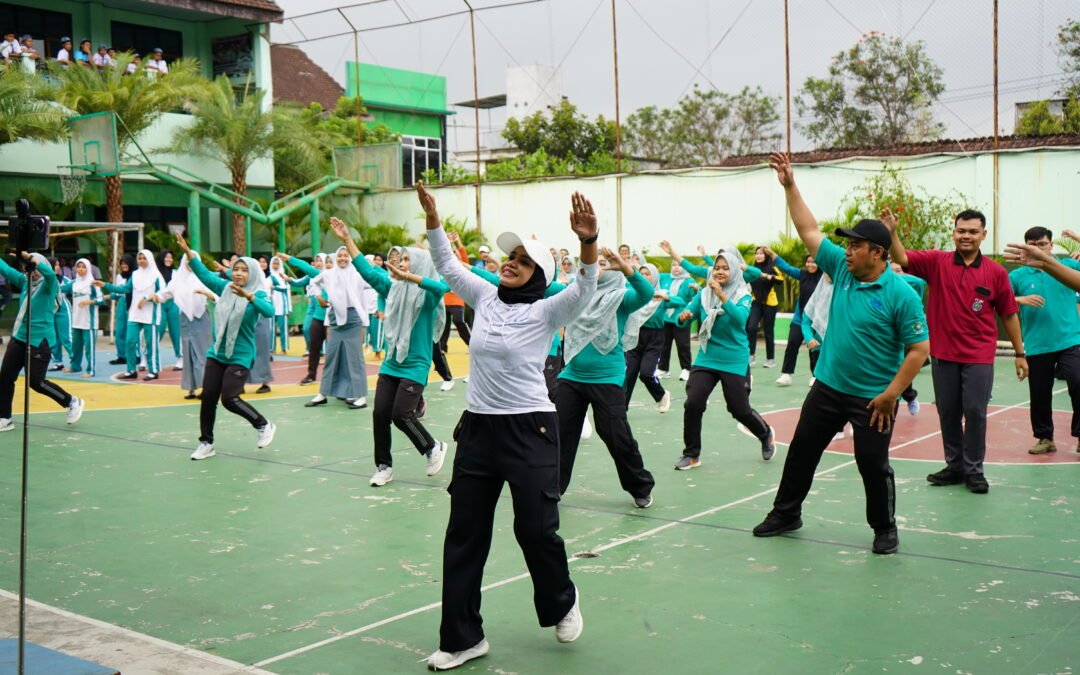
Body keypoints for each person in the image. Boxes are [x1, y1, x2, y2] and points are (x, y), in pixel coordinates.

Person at [423, 183, 598, 670]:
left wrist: (588, 242)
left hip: (531, 431)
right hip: (478, 430)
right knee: (465, 534)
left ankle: (562, 600)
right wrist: (435, 221)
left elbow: (585, 287)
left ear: (539, 273)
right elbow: (448, 266)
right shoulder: (485, 296)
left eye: (522, 259)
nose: (510, 261)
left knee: (536, 530)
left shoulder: (548, 308)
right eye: (509, 255)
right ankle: (462, 638)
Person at [752, 154, 929, 555]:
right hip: (828, 387)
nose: (846, 251)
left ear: (879, 253)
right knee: (801, 451)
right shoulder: (844, 270)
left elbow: (919, 350)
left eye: (856, 245)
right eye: (847, 244)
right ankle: (786, 512)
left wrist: (891, 395)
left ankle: (884, 527)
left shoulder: (901, 295)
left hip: (874, 399)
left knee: (872, 464)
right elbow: (808, 228)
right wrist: (789, 185)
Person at [888, 207, 1026, 495]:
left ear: (983, 235)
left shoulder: (996, 272)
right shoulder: (936, 263)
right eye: (961, 230)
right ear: (954, 232)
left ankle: (974, 470)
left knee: (975, 411)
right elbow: (901, 258)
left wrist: (1019, 353)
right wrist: (892, 232)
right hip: (943, 354)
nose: (966, 236)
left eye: (973, 232)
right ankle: (955, 467)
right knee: (948, 412)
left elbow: (1009, 313)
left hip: (978, 356)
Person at [325, 217, 449, 487]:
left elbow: (440, 287)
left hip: (415, 363)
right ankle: (384, 466)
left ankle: (432, 447)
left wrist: (411, 277)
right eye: (400, 259)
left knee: (401, 414)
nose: (400, 263)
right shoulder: (393, 289)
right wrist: (347, 239)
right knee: (380, 413)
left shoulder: (427, 295)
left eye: (406, 259)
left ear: (418, 265)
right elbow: (367, 272)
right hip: (393, 363)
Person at [556, 247, 656, 507]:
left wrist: (624, 266)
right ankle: (553, 487)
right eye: (592, 262)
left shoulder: (620, 298)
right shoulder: (573, 295)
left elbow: (646, 293)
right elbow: (540, 289)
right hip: (572, 376)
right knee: (560, 433)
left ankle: (640, 485)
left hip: (606, 378)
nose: (597, 267)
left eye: (603, 263)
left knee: (615, 434)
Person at [174, 233, 276, 459]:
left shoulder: (258, 293)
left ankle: (263, 424)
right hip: (217, 352)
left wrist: (249, 297)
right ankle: (206, 443)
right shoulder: (226, 287)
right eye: (236, 269)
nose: (239, 273)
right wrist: (188, 253)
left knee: (229, 399)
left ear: (252, 273)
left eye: (244, 270)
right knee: (208, 396)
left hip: (240, 355)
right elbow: (203, 274)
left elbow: (269, 312)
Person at [675, 246, 776, 470]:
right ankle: (692, 454)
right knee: (693, 402)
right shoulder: (704, 294)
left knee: (739, 409)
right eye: (716, 268)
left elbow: (741, 320)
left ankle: (765, 433)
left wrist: (721, 295)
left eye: (725, 268)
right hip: (707, 356)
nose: (720, 272)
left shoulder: (743, 294)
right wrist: (684, 317)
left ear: (733, 271)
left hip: (733, 358)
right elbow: (686, 316)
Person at [1008, 227, 1080, 454]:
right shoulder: (1017, 276)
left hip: (1071, 339)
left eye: (1042, 244)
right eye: (1033, 244)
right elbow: (999, 299)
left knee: (1078, 382)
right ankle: (1045, 437)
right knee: (1039, 393)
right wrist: (1021, 299)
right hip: (1037, 343)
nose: (1038, 248)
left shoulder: (1069, 267)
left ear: (1051, 245)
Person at [0, 251, 84, 432]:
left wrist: (31, 258)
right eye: (29, 268)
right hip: (19, 338)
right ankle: (4, 418)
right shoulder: (26, 282)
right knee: (5, 377)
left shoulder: (50, 285)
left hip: (39, 341)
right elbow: (5, 270)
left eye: (35, 267)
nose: (32, 271)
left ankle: (71, 401)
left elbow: (49, 274)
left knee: (36, 382)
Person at [284, 246, 370, 408]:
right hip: (335, 318)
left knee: (355, 358)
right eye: (340, 256)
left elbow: (376, 281)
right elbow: (314, 282)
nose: (343, 259)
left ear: (350, 258)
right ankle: (322, 393)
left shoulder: (358, 275)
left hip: (353, 318)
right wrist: (318, 297)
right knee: (331, 356)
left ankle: (360, 395)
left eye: (346, 256)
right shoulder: (329, 274)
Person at [155, 254, 216, 399]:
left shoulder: (204, 277)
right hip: (185, 319)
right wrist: (155, 297)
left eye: (192, 260)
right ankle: (191, 389)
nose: (190, 263)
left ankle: (206, 388)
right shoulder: (178, 279)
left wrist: (207, 293)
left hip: (201, 317)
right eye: (187, 260)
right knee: (188, 353)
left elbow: (216, 293)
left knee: (202, 354)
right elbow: (166, 293)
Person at [97, 249, 164, 380]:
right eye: (140, 258)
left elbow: (163, 293)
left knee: (151, 343)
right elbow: (125, 289)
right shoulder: (135, 275)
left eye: (144, 258)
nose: (142, 260)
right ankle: (131, 370)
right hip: (135, 313)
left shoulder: (156, 275)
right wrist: (105, 285)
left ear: (149, 259)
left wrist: (147, 298)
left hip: (150, 315)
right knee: (130, 341)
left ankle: (153, 370)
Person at [767, 249, 823, 387]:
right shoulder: (802, 274)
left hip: (816, 320)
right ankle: (786, 374)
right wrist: (772, 255)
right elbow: (787, 268)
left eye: (814, 262)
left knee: (814, 348)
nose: (810, 264)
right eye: (808, 262)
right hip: (799, 318)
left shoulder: (824, 277)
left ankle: (815, 376)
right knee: (792, 343)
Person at [623, 262, 671, 413]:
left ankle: (662, 395)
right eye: (641, 274)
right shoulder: (634, 293)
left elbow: (680, 301)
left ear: (655, 276)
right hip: (635, 335)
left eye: (647, 274)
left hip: (654, 338)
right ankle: (621, 410)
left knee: (646, 373)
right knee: (629, 374)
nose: (644, 277)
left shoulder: (662, 295)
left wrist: (667, 299)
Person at [890, 262, 927, 415]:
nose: (895, 274)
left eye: (899, 271)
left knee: (903, 370)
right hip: (887, 338)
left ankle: (910, 397)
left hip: (905, 336)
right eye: (892, 271)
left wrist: (899, 276)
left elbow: (919, 281)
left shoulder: (912, 287)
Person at [61, 258, 104, 377]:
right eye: (78, 266)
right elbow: (61, 289)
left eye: (83, 267)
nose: (80, 269)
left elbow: (101, 300)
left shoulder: (93, 283)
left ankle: (91, 370)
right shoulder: (73, 283)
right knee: (76, 346)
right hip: (76, 321)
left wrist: (89, 302)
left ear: (88, 268)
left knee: (89, 348)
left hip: (89, 323)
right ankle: (75, 366)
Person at [290, 253, 328, 381]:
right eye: (316, 260)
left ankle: (332, 377)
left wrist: (290, 259)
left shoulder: (331, 275)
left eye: (321, 260)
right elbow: (305, 271)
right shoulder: (314, 275)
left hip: (331, 316)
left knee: (333, 348)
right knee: (312, 341)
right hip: (316, 313)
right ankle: (311, 375)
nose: (318, 262)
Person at [745, 246, 784, 368]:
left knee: (768, 331)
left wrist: (768, 276)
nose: (758, 256)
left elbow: (781, 280)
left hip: (770, 303)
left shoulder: (772, 267)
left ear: (766, 256)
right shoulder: (753, 269)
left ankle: (770, 359)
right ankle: (751, 356)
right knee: (751, 327)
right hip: (756, 302)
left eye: (761, 254)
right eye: (757, 254)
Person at [155, 249, 183, 370]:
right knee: (158, 330)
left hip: (173, 304)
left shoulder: (176, 273)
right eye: (166, 257)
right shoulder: (155, 273)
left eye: (171, 257)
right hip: (159, 304)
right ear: (161, 258)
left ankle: (180, 358)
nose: (169, 259)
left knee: (176, 331)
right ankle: (147, 356)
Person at [107, 254, 137, 366]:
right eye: (122, 264)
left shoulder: (135, 275)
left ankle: (135, 355)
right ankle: (121, 356)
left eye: (126, 263)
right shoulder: (120, 277)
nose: (124, 266)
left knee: (132, 332)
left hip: (132, 303)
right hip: (121, 303)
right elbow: (117, 292)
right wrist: (108, 296)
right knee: (120, 330)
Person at [48, 258, 74, 372]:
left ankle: (75, 360)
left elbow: (75, 286)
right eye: (55, 265)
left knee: (66, 337)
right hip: (49, 309)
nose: (57, 267)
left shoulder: (65, 279)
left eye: (58, 265)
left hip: (63, 308)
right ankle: (57, 362)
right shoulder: (45, 280)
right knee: (53, 338)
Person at [267, 256, 292, 354]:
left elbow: (287, 292)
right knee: (271, 329)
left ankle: (284, 348)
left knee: (284, 329)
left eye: (277, 263)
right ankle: (271, 348)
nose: (276, 265)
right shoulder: (269, 278)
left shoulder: (284, 278)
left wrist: (289, 309)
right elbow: (267, 290)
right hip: (272, 307)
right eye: (274, 263)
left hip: (283, 307)